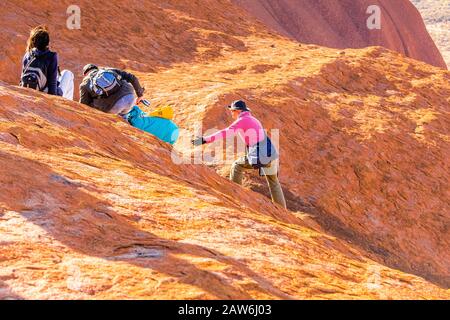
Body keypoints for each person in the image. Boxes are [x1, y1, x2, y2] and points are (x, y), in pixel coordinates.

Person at [192, 100, 287, 208]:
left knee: (236, 166)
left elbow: (225, 132)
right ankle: (283, 211)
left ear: (237, 111)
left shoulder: (242, 120)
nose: (231, 113)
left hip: (261, 154)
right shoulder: (253, 119)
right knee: (274, 182)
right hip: (271, 152)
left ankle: (235, 195)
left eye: (232, 111)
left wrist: (204, 140)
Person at [20, 25, 74, 100]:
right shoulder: (51, 56)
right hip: (44, 93)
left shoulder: (27, 54)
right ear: (47, 43)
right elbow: (52, 84)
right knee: (68, 74)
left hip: (28, 89)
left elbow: (22, 78)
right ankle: (69, 104)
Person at [79, 64, 145, 116]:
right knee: (122, 80)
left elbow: (84, 105)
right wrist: (140, 95)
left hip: (113, 108)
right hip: (130, 98)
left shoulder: (84, 84)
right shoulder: (108, 70)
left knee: (91, 102)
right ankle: (126, 118)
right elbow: (132, 78)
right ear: (97, 68)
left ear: (85, 74)